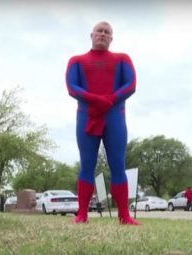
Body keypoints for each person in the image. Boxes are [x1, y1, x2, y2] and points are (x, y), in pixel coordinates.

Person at [65, 21, 139, 225]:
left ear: (111, 38)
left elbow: (131, 85)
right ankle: (82, 214)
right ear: (91, 35)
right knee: (87, 165)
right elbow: (72, 87)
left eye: (107, 32)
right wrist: (100, 100)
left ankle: (124, 215)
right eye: (99, 31)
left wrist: (109, 100)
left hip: (114, 118)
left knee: (118, 164)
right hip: (87, 117)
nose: (103, 34)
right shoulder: (77, 61)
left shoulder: (122, 59)